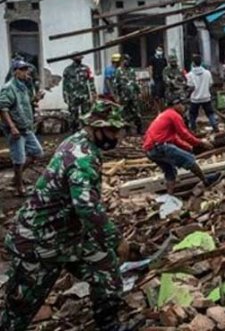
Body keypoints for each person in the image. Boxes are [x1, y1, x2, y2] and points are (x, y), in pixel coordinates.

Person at [0, 99, 129, 331]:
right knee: (19, 309)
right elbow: (87, 208)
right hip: (39, 241)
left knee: (106, 268)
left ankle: (108, 324)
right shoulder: (82, 157)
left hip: (69, 236)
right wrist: (116, 239)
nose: (117, 136)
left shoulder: (82, 143)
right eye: (113, 130)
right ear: (97, 128)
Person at [143, 96, 220, 195]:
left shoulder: (164, 115)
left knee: (170, 171)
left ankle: (169, 195)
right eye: (181, 104)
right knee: (189, 159)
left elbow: (175, 138)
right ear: (175, 105)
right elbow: (184, 134)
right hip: (161, 146)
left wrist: (189, 147)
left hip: (150, 150)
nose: (183, 107)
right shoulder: (174, 115)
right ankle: (206, 181)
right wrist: (201, 143)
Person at [0, 60, 44, 196]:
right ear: (15, 72)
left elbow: (27, 103)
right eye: (22, 69)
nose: (26, 72)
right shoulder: (9, 87)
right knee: (18, 158)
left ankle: (16, 177)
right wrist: (12, 127)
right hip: (16, 129)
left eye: (26, 69)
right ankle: (19, 188)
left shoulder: (23, 86)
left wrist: (36, 98)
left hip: (26, 127)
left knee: (37, 152)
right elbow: (3, 108)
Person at [63, 54, 96, 131]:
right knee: (73, 115)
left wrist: (93, 92)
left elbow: (91, 81)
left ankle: (86, 131)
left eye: (80, 57)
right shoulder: (67, 70)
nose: (79, 59)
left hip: (84, 95)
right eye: (77, 58)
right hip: (73, 96)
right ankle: (74, 131)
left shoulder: (86, 68)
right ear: (73, 59)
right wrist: (65, 96)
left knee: (86, 115)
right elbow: (65, 84)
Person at [186, 54, 219, 133]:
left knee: (193, 115)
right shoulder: (207, 73)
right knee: (210, 113)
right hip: (206, 97)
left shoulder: (190, 74)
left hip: (195, 98)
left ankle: (193, 129)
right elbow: (211, 84)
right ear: (201, 62)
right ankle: (215, 126)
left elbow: (190, 86)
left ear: (193, 63)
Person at [113, 55, 143, 134]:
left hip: (133, 95)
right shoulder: (118, 71)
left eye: (128, 60)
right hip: (124, 96)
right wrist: (117, 96)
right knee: (125, 113)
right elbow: (116, 85)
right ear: (122, 61)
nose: (127, 62)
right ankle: (127, 130)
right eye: (125, 60)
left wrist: (139, 92)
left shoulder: (132, 70)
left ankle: (139, 129)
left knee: (137, 112)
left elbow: (135, 82)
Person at [148, 46, 167, 111]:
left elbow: (165, 69)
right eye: (158, 50)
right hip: (155, 78)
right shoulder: (152, 58)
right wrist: (151, 78)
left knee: (163, 95)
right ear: (156, 50)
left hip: (162, 79)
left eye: (161, 50)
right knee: (156, 95)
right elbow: (150, 68)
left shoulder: (163, 59)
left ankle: (163, 109)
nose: (160, 51)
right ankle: (158, 110)